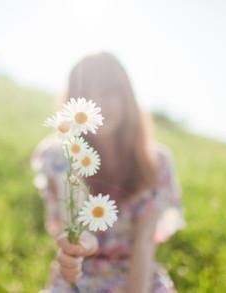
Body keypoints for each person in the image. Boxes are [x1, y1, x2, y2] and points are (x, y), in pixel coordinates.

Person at [31, 52, 185, 292]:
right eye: (85, 96)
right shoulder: (60, 157)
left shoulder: (155, 163)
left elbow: (144, 245)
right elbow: (74, 232)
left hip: (137, 274)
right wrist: (81, 247)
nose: (96, 106)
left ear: (126, 97)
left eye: (107, 93)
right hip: (81, 273)